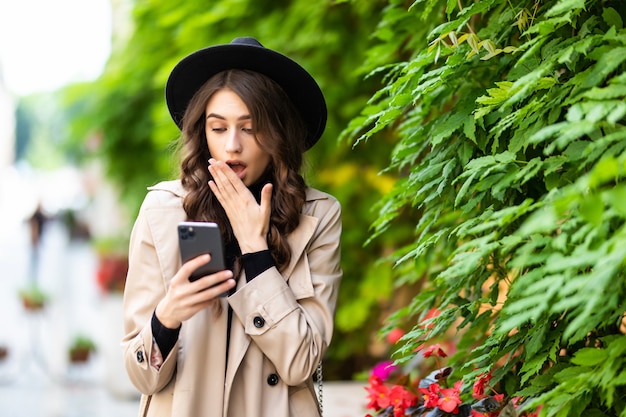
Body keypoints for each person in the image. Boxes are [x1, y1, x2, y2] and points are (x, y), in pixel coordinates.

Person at [121, 37, 343, 417]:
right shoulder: (163, 210)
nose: (232, 146)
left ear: (278, 134)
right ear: (202, 133)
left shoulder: (317, 215)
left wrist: (256, 250)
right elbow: (141, 376)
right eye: (218, 128)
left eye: (250, 127)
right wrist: (168, 316)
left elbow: (301, 362)